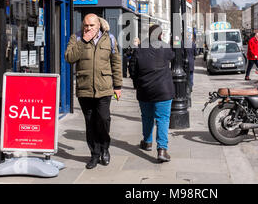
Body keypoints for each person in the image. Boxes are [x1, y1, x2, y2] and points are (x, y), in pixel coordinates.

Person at [65, 13, 122, 169]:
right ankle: (95, 154)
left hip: (105, 87)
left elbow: (116, 63)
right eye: (86, 25)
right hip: (85, 88)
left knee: (103, 119)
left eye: (91, 25)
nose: (88, 28)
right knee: (90, 123)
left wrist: (118, 86)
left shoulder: (109, 38)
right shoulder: (76, 38)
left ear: (99, 25)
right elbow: (69, 57)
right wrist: (83, 41)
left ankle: (105, 147)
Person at [129, 25, 175, 163]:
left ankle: (147, 142)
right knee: (162, 119)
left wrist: (137, 83)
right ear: (160, 35)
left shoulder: (140, 49)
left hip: (145, 90)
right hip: (163, 90)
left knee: (147, 117)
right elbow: (173, 57)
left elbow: (132, 68)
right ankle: (162, 150)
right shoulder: (166, 47)